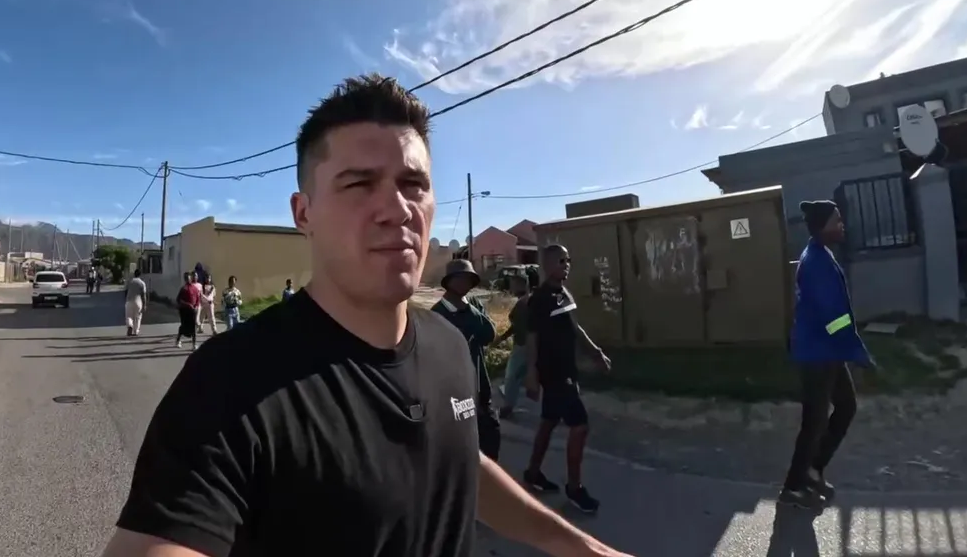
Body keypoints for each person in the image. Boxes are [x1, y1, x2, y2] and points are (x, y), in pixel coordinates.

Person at [102, 74, 630, 557]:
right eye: (359, 184)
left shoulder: (449, 346)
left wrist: (583, 549)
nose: (397, 209)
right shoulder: (229, 382)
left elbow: (459, 462)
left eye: (414, 184)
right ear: (303, 213)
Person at [780, 200, 874, 509]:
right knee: (815, 420)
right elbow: (835, 318)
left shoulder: (820, 253)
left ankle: (813, 469)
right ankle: (793, 487)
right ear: (822, 227)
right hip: (816, 354)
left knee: (845, 406)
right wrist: (858, 353)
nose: (842, 225)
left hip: (826, 350)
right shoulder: (816, 262)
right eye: (837, 220)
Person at [523, 243, 610, 514]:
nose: (566, 265)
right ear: (548, 265)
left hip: (567, 369)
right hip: (554, 373)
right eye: (561, 261)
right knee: (580, 426)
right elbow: (532, 337)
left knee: (549, 421)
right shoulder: (539, 299)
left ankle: (533, 473)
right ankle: (574, 488)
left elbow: (575, 327)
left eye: (568, 260)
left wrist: (595, 352)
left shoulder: (564, 293)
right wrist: (531, 373)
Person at [431, 258, 502, 461]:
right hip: (455, 395)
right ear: (448, 282)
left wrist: (469, 309)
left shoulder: (474, 307)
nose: (466, 283)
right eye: (460, 278)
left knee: (491, 438)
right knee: (462, 449)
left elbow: (489, 334)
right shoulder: (437, 315)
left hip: (481, 388)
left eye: (469, 279)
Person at [497, 274, 532, 420]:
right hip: (527, 345)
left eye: (513, 285)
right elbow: (516, 326)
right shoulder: (526, 301)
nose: (511, 288)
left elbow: (522, 327)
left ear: (522, 285)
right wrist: (502, 338)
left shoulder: (524, 303)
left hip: (523, 346)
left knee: (511, 377)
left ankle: (507, 407)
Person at [175, 273, 201, 350]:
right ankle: (178, 340)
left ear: (191, 278)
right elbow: (179, 300)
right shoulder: (183, 289)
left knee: (193, 327)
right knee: (184, 326)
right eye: (186, 278)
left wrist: (196, 306)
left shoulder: (195, 288)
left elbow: (198, 299)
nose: (188, 279)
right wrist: (188, 304)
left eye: (189, 278)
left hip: (193, 311)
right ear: (185, 279)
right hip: (184, 310)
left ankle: (194, 344)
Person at [125, 268, 148, 337]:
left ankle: (130, 325)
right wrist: (144, 304)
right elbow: (144, 295)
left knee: (129, 316)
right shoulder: (142, 283)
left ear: (134, 274)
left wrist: (126, 299)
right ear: (140, 275)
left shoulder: (129, 281)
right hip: (138, 301)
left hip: (129, 301)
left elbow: (126, 291)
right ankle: (136, 331)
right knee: (138, 317)